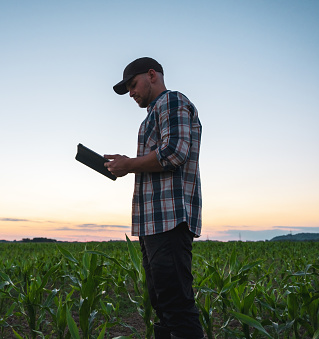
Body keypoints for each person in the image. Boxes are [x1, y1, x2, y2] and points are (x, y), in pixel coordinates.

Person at [104, 57, 204, 339]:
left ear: (152, 75)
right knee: (163, 305)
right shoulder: (151, 115)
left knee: (177, 307)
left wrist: (130, 164)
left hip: (169, 221)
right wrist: (123, 166)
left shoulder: (171, 102)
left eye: (133, 85)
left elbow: (174, 153)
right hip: (152, 224)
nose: (131, 93)